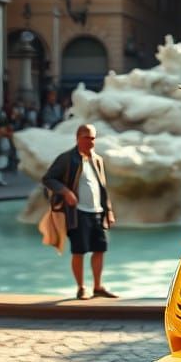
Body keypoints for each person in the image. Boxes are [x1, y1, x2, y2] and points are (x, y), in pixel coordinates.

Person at [42, 124, 118, 300]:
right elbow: (48, 179)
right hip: (78, 213)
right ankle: (81, 287)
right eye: (87, 138)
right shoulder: (67, 159)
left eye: (93, 138)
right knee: (79, 251)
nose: (91, 142)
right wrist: (66, 192)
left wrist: (109, 211)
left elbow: (102, 188)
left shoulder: (97, 159)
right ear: (78, 138)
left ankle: (98, 286)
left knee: (100, 249)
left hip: (97, 212)